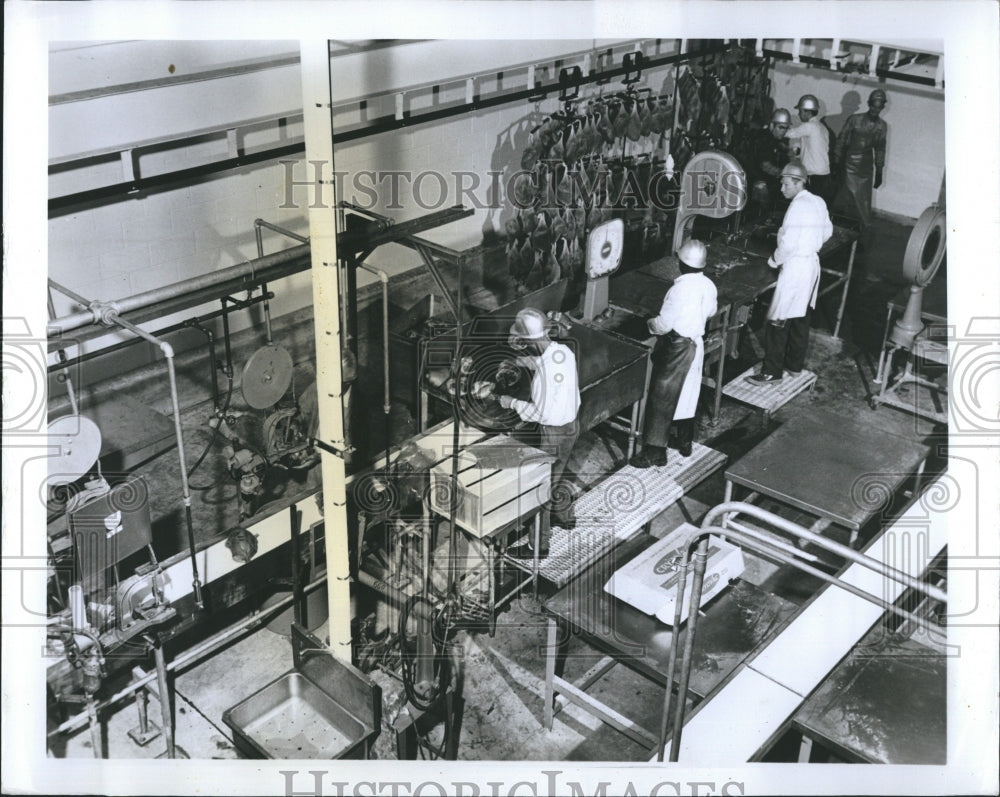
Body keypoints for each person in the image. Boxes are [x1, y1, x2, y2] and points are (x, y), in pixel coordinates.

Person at [496, 307, 580, 558]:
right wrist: (521, 362)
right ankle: (564, 517)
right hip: (571, 427)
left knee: (540, 486)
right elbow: (544, 362)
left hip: (553, 430)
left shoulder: (547, 377)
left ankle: (538, 546)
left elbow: (543, 413)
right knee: (559, 472)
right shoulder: (562, 352)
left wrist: (510, 402)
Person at [630, 239, 718, 468]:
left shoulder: (678, 290)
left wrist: (649, 324)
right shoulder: (708, 285)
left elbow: (664, 324)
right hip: (695, 344)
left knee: (662, 397)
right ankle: (685, 442)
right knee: (689, 394)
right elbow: (711, 311)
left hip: (677, 346)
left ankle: (655, 453)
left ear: (681, 263)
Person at [748, 162, 833, 385]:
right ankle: (794, 367)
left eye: (786, 184)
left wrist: (774, 260)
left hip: (796, 267)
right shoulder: (818, 201)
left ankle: (771, 372)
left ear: (798, 182)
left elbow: (787, 244)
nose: (782, 189)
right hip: (811, 265)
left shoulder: (797, 207)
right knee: (801, 317)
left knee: (778, 319)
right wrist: (810, 244)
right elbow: (827, 231)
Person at [833, 88, 887, 247]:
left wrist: (879, 171)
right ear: (869, 104)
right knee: (843, 196)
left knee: (862, 201)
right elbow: (841, 140)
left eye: (879, 107)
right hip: (848, 163)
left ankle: (859, 236)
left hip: (865, 168)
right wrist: (836, 161)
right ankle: (835, 226)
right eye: (873, 105)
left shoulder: (882, 126)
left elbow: (880, 149)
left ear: (882, 107)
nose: (876, 109)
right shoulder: (854, 119)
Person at [742, 108, 793, 224]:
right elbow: (765, 165)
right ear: (771, 125)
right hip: (757, 184)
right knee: (758, 218)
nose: (784, 131)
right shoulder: (763, 139)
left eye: (786, 128)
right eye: (781, 127)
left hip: (765, 182)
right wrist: (784, 174)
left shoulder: (774, 139)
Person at [785, 94, 832, 201]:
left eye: (800, 111)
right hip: (824, 174)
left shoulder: (809, 126)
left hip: (814, 175)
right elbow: (811, 146)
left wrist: (774, 126)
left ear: (808, 112)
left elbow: (790, 133)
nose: (798, 114)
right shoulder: (822, 127)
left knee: (807, 203)